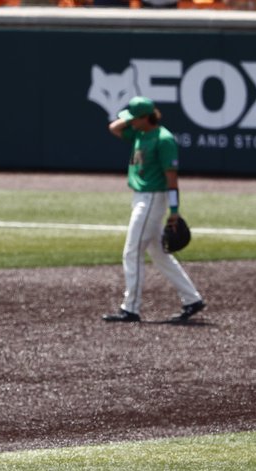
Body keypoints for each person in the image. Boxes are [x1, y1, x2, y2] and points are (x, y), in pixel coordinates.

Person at [103, 96, 205, 324]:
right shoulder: (139, 133)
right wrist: (130, 119)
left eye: (134, 118)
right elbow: (114, 127)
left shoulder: (164, 139)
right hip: (141, 198)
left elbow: (172, 178)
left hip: (152, 199)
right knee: (159, 254)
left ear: (145, 118)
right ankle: (192, 299)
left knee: (131, 251)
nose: (129, 121)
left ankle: (130, 309)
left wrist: (175, 210)